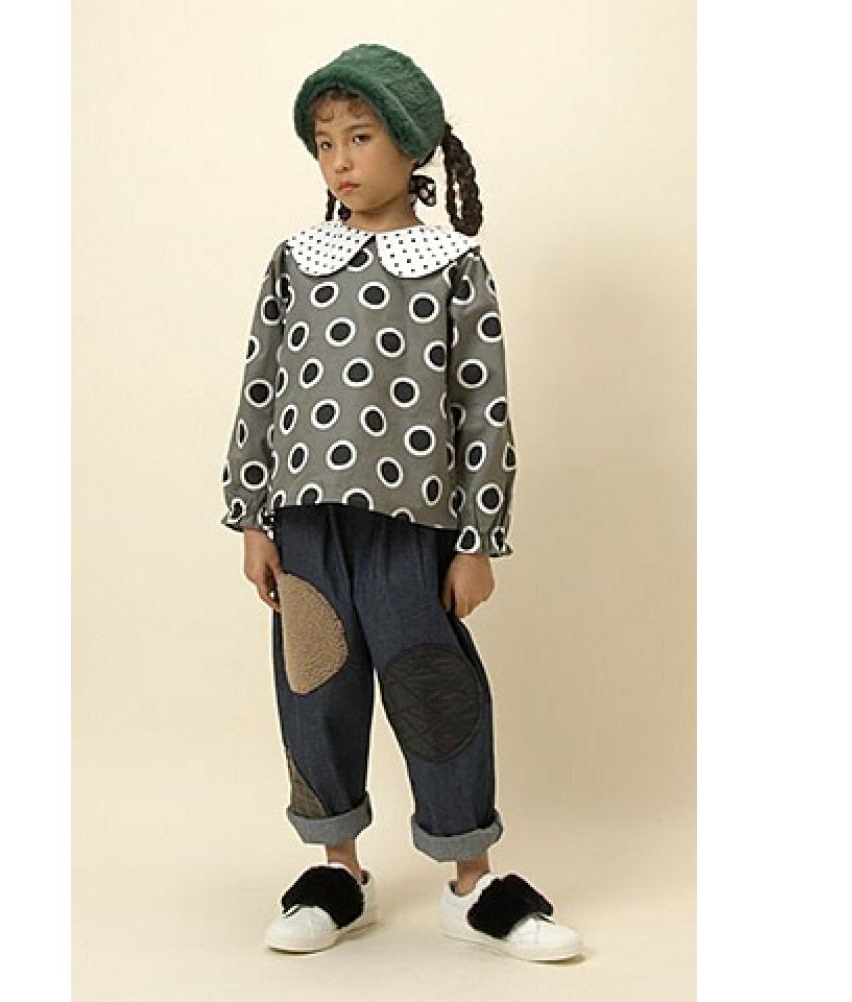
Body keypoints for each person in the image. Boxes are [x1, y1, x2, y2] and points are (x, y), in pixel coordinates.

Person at [219, 42, 583, 963]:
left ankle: (472, 881)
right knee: (315, 690)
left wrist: (478, 538)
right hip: (305, 523)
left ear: (411, 144)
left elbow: (483, 405)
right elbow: (261, 383)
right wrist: (252, 516)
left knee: (434, 690)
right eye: (324, 143)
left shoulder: (454, 264)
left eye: (360, 137)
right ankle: (336, 871)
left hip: (412, 528)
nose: (339, 160)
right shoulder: (296, 259)